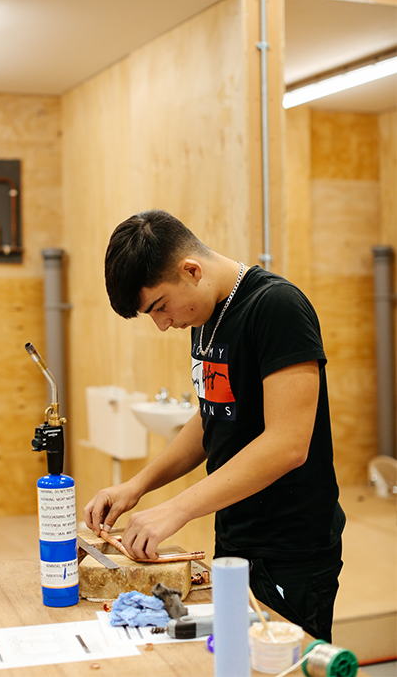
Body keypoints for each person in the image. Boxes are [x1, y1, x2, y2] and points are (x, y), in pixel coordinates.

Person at [84, 209, 345, 642]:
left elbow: (288, 444)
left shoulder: (276, 307)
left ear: (191, 270)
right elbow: (212, 417)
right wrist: (138, 485)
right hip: (237, 537)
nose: (163, 323)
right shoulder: (205, 316)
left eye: (160, 306)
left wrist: (176, 509)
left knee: (285, 668)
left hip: (291, 547)